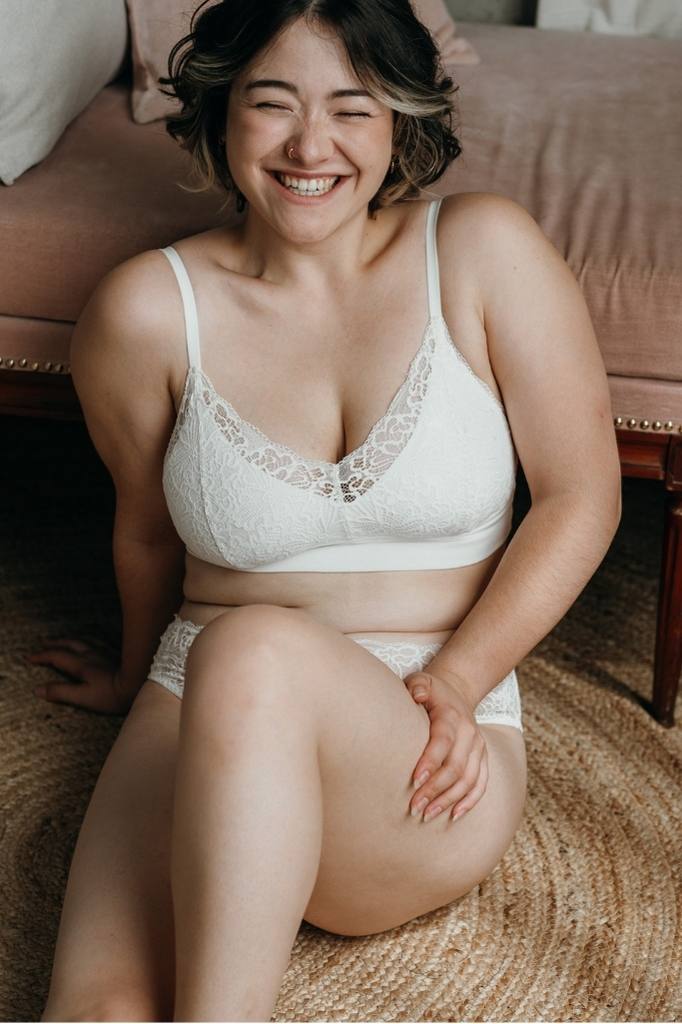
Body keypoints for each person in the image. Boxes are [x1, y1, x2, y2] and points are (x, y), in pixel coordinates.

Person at [29, 0, 622, 1020]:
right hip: (196, 694)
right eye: (272, 103)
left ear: (399, 121)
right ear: (221, 115)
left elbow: (581, 495)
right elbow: (145, 527)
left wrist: (460, 675)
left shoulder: (483, 251)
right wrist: (136, 679)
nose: (311, 146)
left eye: (352, 107)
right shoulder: (146, 310)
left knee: (256, 649)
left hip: (417, 725)